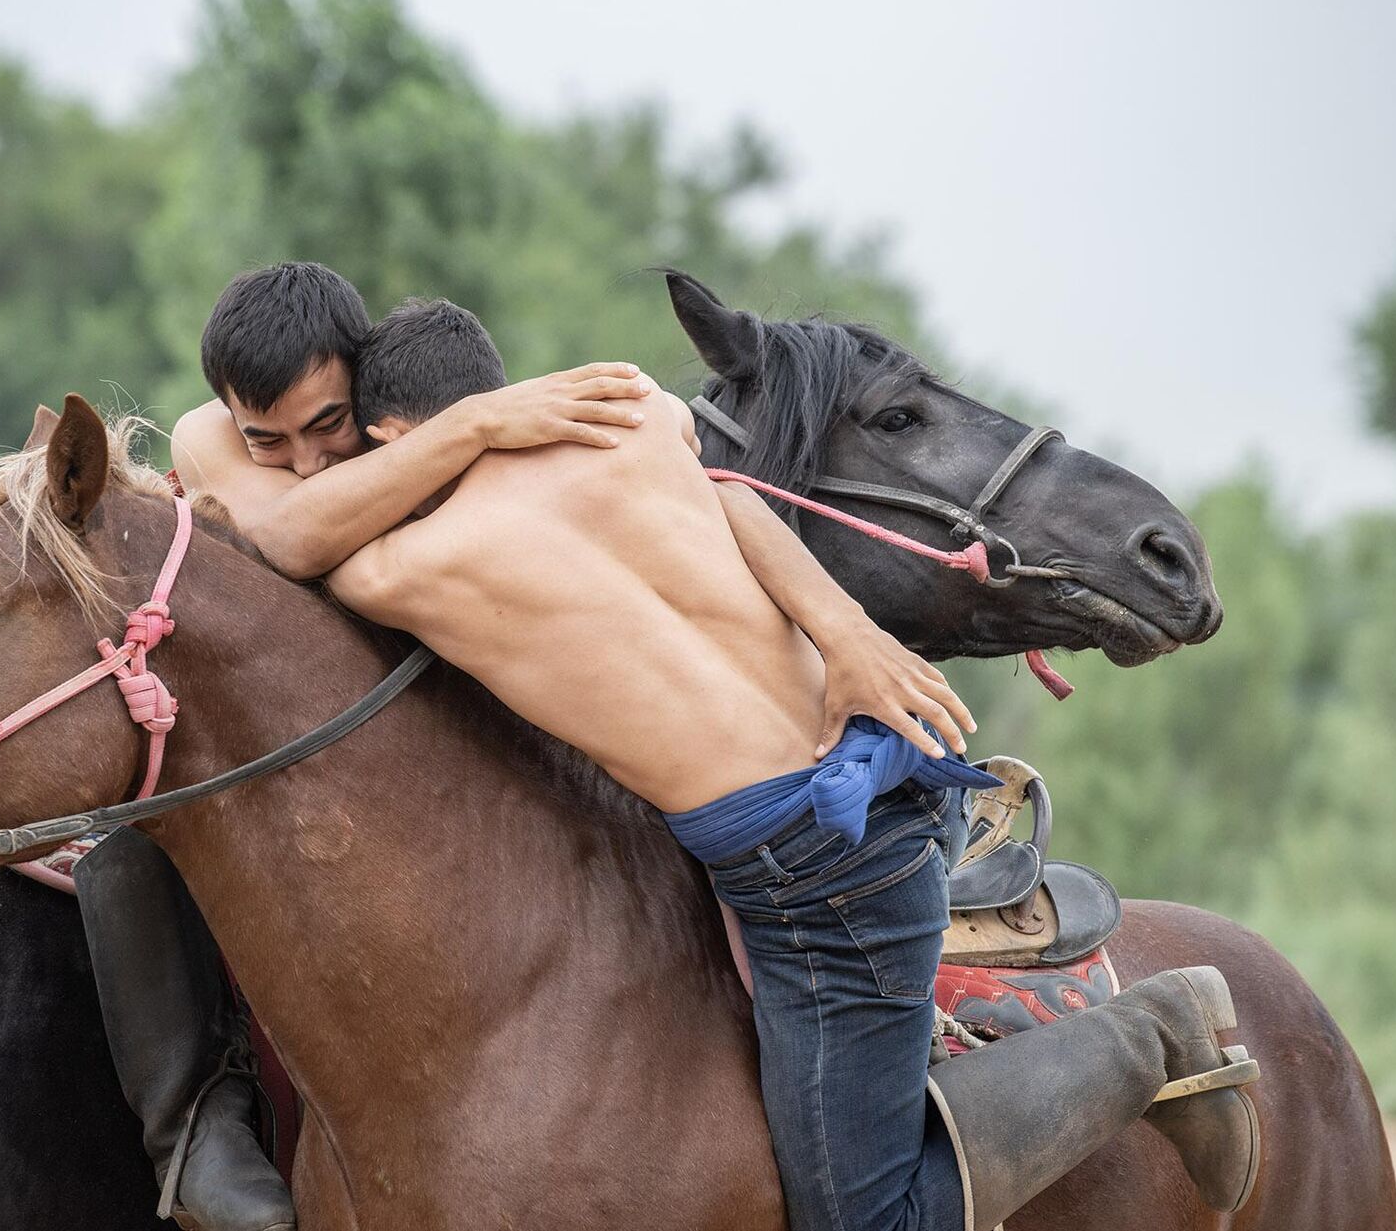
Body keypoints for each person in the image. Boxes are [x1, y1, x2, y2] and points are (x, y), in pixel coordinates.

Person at [292, 298, 1258, 1231]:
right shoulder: (637, 420)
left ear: (389, 438)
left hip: (826, 873)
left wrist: (435, 445)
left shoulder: (392, 572)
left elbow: (280, 538)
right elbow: (736, 497)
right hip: (866, 795)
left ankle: (1151, 1035)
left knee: (863, 1217)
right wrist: (840, 630)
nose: (306, 466)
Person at [74, 262, 664, 1231]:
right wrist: (477, 425)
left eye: (326, 427)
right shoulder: (206, 440)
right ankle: (191, 1129)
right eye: (267, 440)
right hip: (269, 749)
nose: (304, 461)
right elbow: (292, 540)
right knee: (128, 825)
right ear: (229, 419)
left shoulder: (428, 420)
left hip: (449, 736)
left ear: (368, 385)